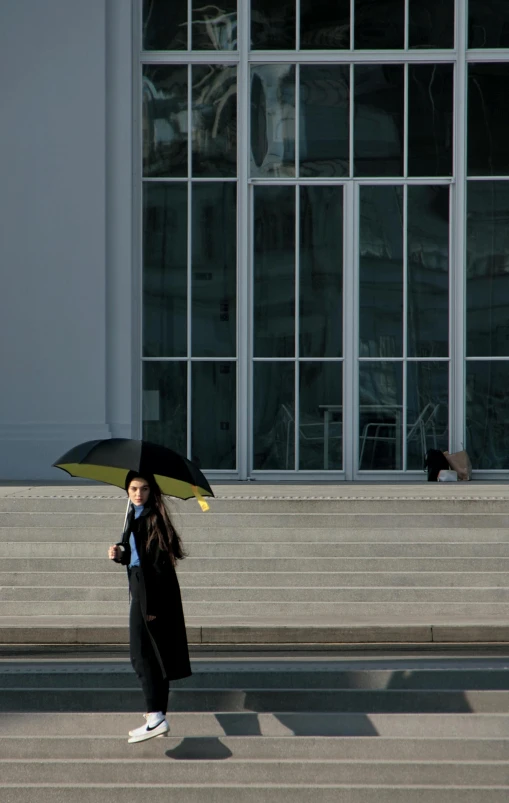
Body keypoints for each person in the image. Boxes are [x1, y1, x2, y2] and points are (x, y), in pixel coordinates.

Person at [108, 470, 191, 743]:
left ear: (151, 491)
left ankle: (154, 715)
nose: (138, 494)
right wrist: (120, 554)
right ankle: (157, 716)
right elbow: (135, 554)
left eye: (143, 489)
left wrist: (151, 604)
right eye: (133, 489)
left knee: (140, 654)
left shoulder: (152, 519)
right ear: (127, 491)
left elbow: (158, 566)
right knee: (154, 654)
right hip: (142, 587)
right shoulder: (135, 516)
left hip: (151, 592)